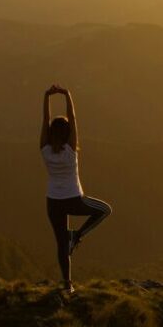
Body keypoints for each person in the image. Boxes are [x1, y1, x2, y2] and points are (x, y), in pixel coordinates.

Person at [40, 84, 112, 294]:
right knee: (105, 210)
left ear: (52, 132)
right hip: (73, 199)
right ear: (68, 133)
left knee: (61, 244)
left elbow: (45, 121)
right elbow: (74, 118)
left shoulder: (44, 150)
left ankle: (67, 284)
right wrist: (67, 95)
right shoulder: (71, 150)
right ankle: (78, 235)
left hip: (53, 203)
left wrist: (46, 97)